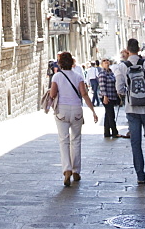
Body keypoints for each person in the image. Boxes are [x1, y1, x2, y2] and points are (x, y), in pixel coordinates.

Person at [49, 50, 98, 187]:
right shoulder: (78, 77)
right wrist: (93, 111)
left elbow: (53, 94)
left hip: (62, 111)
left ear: (60, 64)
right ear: (72, 63)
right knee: (76, 140)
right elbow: (84, 94)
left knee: (63, 140)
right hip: (76, 110)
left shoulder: (57, 77)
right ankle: (76, 170)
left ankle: (67, 170)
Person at [116, 37, 145, 185]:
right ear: (139, 49)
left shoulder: (122, 67)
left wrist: (127, 95)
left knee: (135, 141)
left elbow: (120, 88)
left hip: (132, 108)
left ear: (128, 50)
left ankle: (140, 175)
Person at [97, 58, 119, 139]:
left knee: (108, 114)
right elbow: (102, 86)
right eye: (104, 61)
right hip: (106, 96)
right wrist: (105, 96)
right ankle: (114, 132)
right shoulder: (102, 73)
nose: (106, 62)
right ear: (102, 64)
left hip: (112, 95)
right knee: (111, 114)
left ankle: (106, 132)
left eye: (107, 61)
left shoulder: (111, 72)